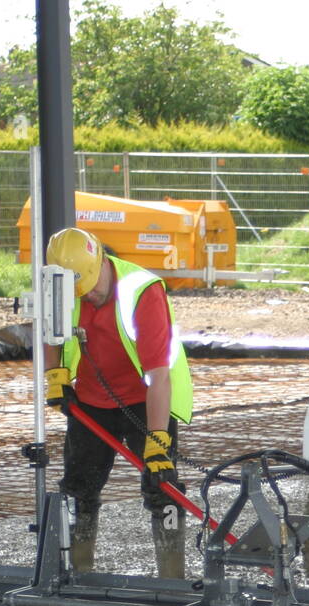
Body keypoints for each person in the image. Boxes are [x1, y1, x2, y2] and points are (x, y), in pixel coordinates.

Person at [43, 227, 193, 576]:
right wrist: (55, 375)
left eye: (92, 286)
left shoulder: (142, 292)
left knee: (163, 489)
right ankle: (77, 572)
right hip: (92, 402)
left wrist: (158, 442)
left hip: (146, 401)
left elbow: (158, 375)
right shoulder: (61, 287)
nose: (89, 296)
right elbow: (49, 330)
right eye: (80, 293)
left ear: (101, 261)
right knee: (78, 490)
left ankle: (172, 579)